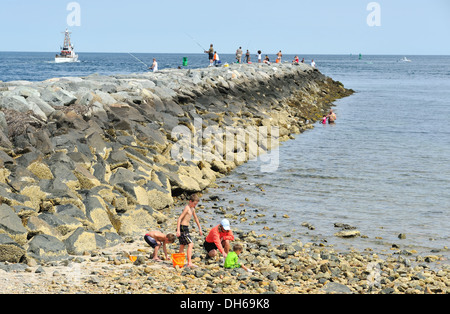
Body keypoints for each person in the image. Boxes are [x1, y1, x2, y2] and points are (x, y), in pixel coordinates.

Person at [176, 194, 203, 268]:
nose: (195, 205)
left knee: (182, 245)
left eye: (196, 204)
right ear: (190, 201)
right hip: (182, 228)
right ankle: (189, 263)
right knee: (190, 244)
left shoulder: (192, 209)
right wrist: (178, 230)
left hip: (186, 228)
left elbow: (196, 219)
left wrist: (200, 228)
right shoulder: (187, 208)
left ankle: (179, 262)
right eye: (194, 203)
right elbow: (179, 219)